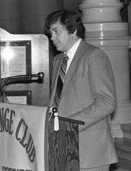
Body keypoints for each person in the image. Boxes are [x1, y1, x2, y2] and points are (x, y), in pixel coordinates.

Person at [45, 9, 118, 171]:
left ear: (73, 30)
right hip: (62, 146)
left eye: (56, 31)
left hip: (89, 149)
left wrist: (70, 125)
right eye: (50, 32)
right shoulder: (58, 60)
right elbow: (59, 100)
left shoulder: (94, 55)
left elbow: (106, 102)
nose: (52, 37)